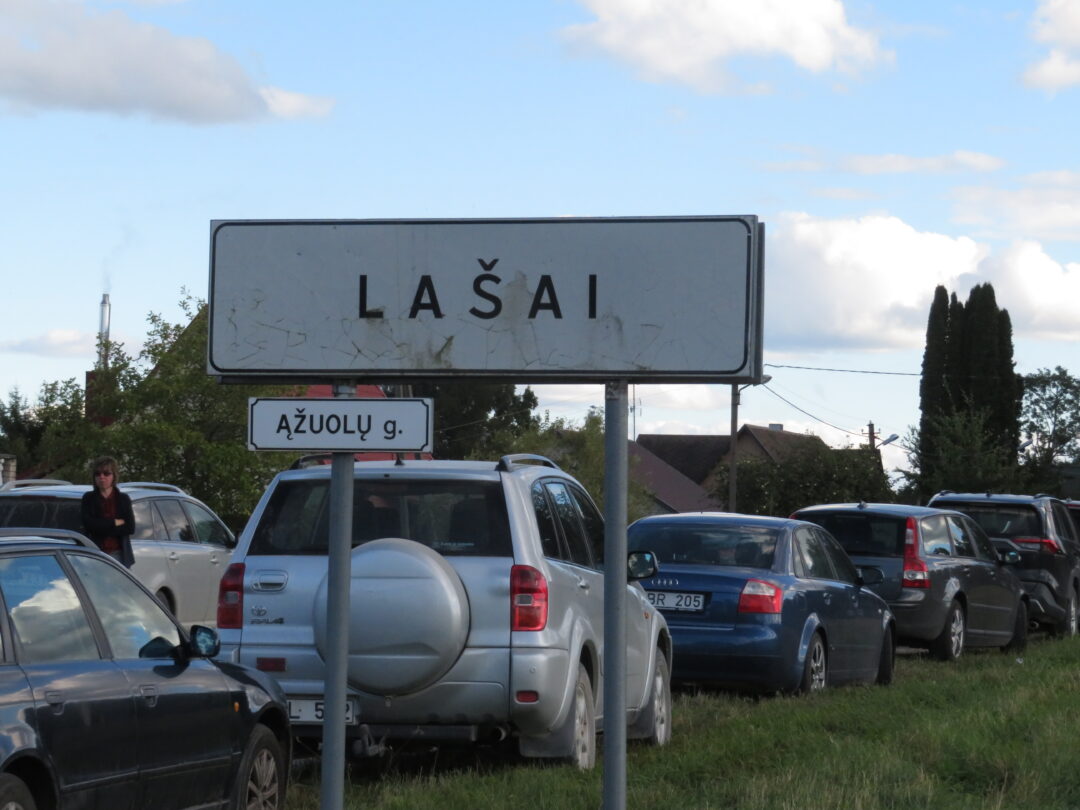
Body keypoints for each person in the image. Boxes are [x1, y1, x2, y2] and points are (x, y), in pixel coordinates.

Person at [80, 456, 136, 568]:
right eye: (98, 474)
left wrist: (100, 525)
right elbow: (89, 525)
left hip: (119, 554)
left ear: (114, 476)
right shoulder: (88, 498)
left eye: (106, 473)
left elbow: (130, 527)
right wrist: (114, 522)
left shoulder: (123, 499)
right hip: (95, 553)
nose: (102, 477)